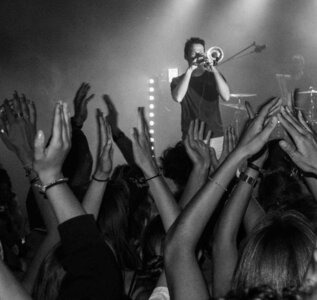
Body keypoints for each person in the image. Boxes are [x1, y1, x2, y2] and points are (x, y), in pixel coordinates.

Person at [170, 37, 230, 147]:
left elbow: (226, 96)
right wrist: (190, 69)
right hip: (190, 137)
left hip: (215, 136)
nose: (199, 56)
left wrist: (213, 68)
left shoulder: (214, 77)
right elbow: (178, 97)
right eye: (194, 52)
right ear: (186, 56)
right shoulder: (177, 81)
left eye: (202, 52)